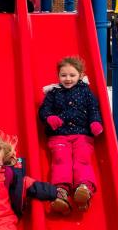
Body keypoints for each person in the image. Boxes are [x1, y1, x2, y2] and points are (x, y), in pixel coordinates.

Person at [38, 56, 104, 215]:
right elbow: (44, 110)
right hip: (59, 136)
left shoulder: (86, 92)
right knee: (61, 160)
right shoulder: (53, 93)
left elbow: (94, 109)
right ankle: (61, 192)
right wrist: (49, 118)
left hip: (82, 134)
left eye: (72, 75)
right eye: (63, 75)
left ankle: (84, 188)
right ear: (58, 76)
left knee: (82, 159)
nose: (67, 79)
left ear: (81, 75)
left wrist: (95, 122)